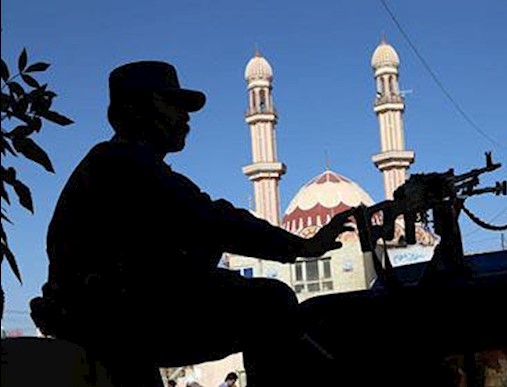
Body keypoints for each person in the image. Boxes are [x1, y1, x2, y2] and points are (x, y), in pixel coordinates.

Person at [29, 61, 354, 387]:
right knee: (271, 301)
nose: (185, 117)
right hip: (111, 315)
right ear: (139, 109)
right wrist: (302, 246)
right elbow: (210, 219)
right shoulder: (123, 163)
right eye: (173, 105)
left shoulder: (115, 163)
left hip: (106, 312)